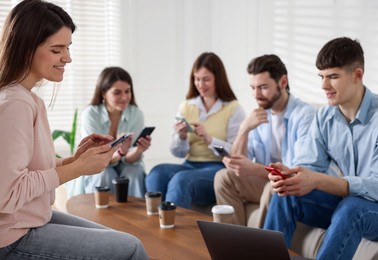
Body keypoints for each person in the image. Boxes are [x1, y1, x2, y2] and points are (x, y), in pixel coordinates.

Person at [0, 1, 148, 259]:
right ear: (25, 48)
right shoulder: (16, 104)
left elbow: (28, 169)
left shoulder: (28, 99)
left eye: (67, 48)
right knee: (130, 248)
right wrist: (77, 169)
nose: (67, 58)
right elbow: (8, 192)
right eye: (57, 49)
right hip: (12, 236)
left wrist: (74, 160)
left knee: (121, 240)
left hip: (30, 219)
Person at [263, 37, 378, 259]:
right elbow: (309, 164)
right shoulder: (325, 116)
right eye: (321, 77)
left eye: (333, 76)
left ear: (357, 75)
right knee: (286, 194)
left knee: (352, 208)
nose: (324, 85)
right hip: (348, 205)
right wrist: (291, 176)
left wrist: (319, 180)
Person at [214, 54, 316, 226]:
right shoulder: (260, 115)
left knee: (274, 187)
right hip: (269, 181)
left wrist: (254, 168)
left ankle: (258, 249)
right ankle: (232, 243)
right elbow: (238, 165)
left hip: (293, 187)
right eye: (253, 88)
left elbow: (297, 174)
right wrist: (244, 129)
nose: (256, 94)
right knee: (223, 177)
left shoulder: (305, 116)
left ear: (283, 82)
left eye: (262, 87)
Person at [145, 52, 246, 208]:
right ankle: (153, 225)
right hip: (189, 164)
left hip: (218, 168)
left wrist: (209, 139)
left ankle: (173, 229)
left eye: (206, 79)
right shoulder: (186, 106)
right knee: (157, 173)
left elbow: (235, 152)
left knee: (181, 179)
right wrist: (182, 136)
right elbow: (177, 153)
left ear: (218, 79)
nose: (200, 84)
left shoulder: (234, 109)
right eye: (197, 79)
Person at [68, 66, 151, 198]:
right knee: (105, 174)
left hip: (126, 163)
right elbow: (97, 158)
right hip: (97, 163)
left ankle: (134, 216)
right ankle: (100, 216)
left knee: (134, 173)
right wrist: (119, 152)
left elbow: (130, 159)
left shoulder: (136, 113)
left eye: (127, 91)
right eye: (117, 93)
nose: (124, 97)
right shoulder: (91, 114)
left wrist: (139, 150)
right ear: (103, 93)